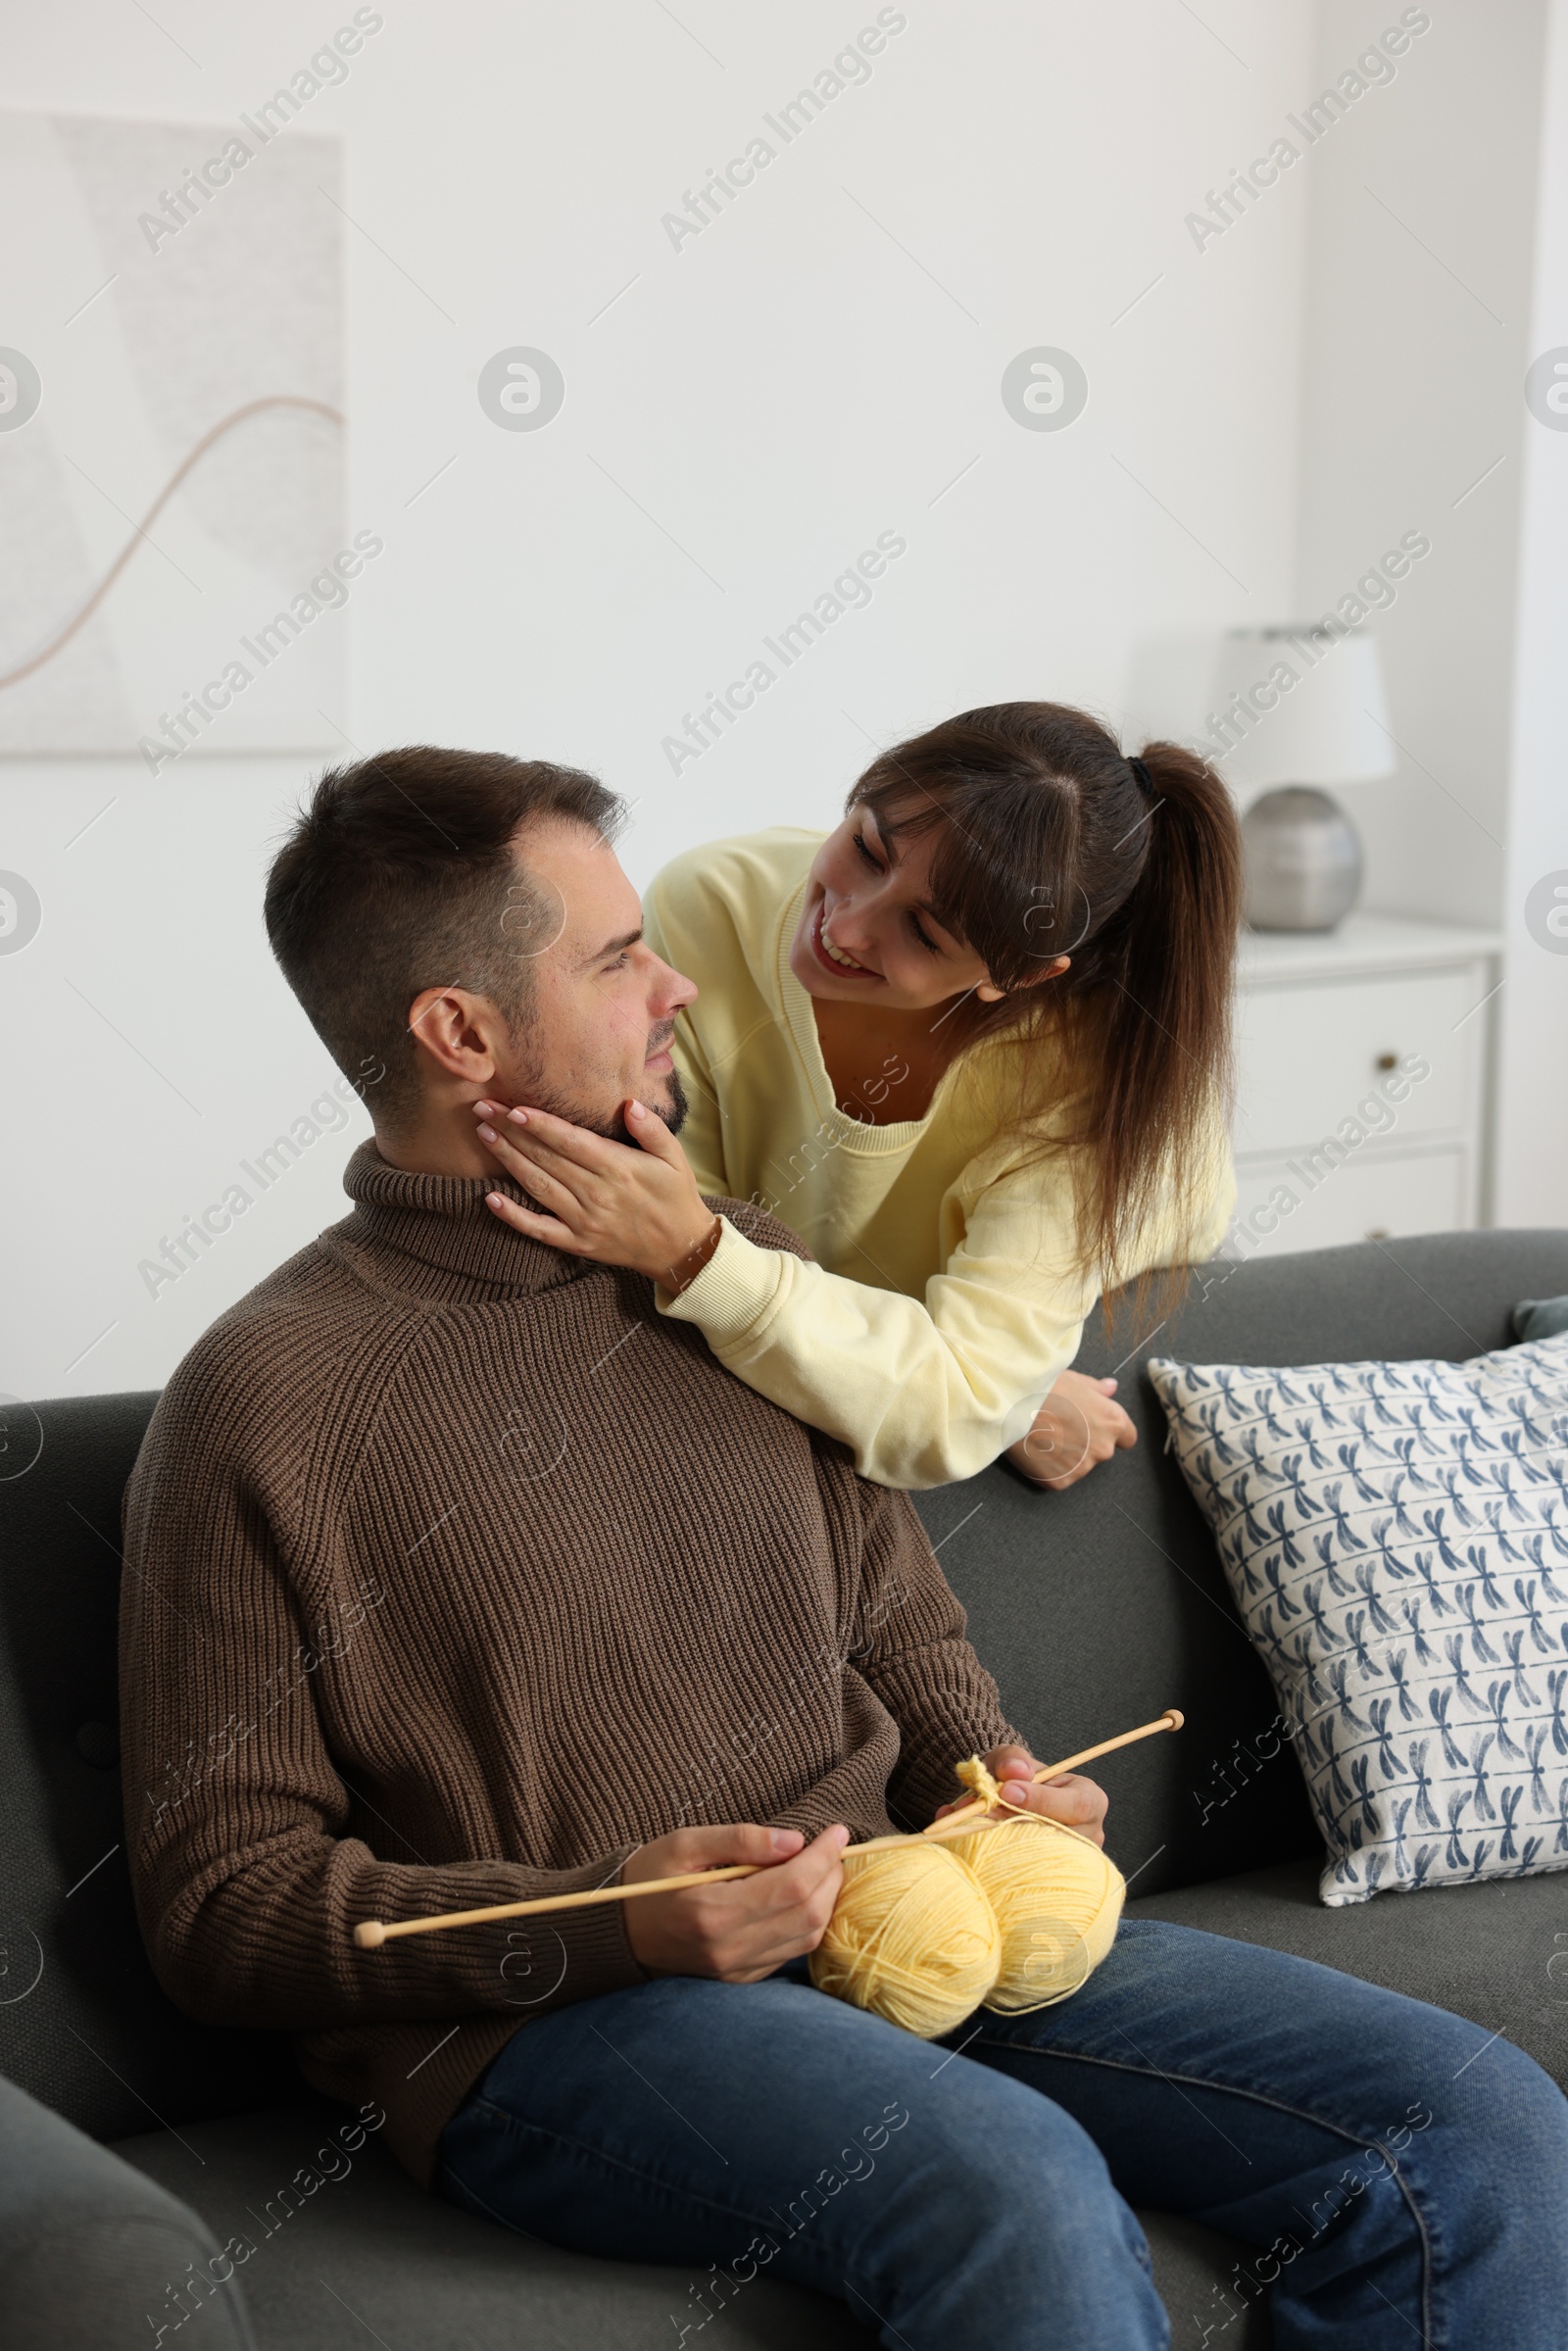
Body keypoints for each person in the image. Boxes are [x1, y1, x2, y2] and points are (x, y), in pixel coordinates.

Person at [120, 746, 1568, 2351]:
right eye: (616, 957)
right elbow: (218, 1904)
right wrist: (611, 1914)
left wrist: (994, 1762)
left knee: (1475, 2116)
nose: (679, 982)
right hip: (554, 2025)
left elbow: (894, 1613)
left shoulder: (735, 1268)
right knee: (1009, 2183)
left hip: (904, 1908)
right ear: (459, 1032)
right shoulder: (266, 1395)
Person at [467, 703, 1240, 1490]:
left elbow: (955, 1403)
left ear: (1019, 976)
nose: (849, 923)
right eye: (868, 848)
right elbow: (665, 1218)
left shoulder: (1083, 1089)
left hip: (1113, 1244)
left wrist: (997, 1396)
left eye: (925, 933)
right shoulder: (717, 904)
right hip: (871, 1294)